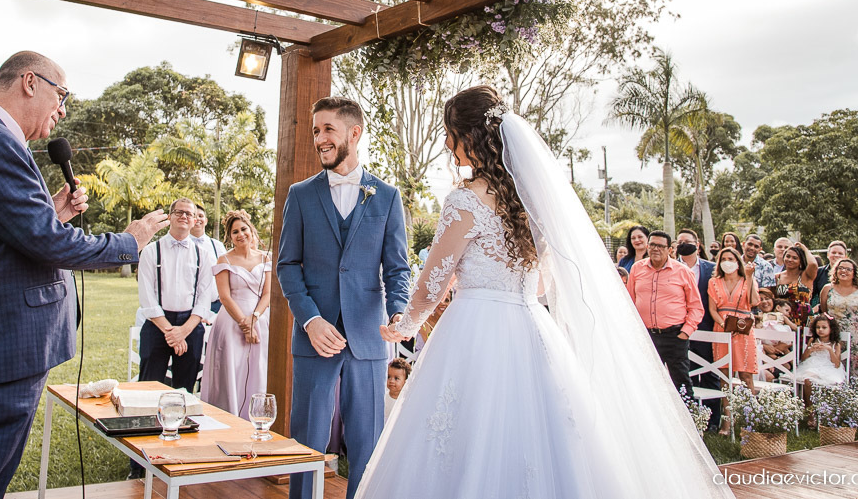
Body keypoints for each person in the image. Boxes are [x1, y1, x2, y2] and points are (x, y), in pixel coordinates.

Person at [357, 87, 730, 499]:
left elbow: (434, 280)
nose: (447, 144)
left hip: (476, 328)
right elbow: (542, 281)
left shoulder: (465, 200)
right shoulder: (532, 201)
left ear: (472, 137)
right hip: (531, 322)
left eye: (450, 133)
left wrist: (405, 324)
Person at [0, 51, 166, 499]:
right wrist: (130, 241)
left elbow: (10, 236)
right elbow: (49, 245)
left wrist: (53, 213)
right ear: (30, 82)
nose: (64, 108)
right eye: (62, 94)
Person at [277, 96, 410, 499]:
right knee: (307, 441)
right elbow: (287, 265)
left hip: (368, 337)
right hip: (315, 337)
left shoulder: (386, 197)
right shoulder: (300, 194)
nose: (320, 139)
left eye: (328, 129)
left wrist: (399, 311)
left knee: (366, 442)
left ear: (354, 132)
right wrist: (310, 320)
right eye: (316, 131)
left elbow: (398, 269)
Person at [136, 198, 216, 392]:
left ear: (195, 220)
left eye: (189, 214)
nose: (184, 216)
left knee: (185, 390)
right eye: (179, 212)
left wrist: (183, 331)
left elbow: (204, 298)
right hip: (157, 325)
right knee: (149, 387)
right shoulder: (150, 251)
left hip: (191, 326)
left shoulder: (203, 254)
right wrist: (172, 332)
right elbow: (147, 297)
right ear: (170, 217)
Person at [202, 210, 270, 419]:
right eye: (235, 232)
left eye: (243, 229)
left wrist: (254, 318)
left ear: (251, 230)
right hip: (231, 322)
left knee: (259, 369)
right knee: (231, 370)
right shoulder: (225, 259)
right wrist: (244, 323)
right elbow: (224, 296)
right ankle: (227, 418)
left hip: (261, 319)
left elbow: (268, 293)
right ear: (229, 237)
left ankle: (257, 418)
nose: (240, 234)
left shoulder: (266, 258)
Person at [628, 230, 704, 397]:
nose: (656, 249)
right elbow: (630, 303)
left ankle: (690, 420)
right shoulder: (637, 269)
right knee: (645, 382)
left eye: (661, 246)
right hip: (646, 337)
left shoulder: (683, 272)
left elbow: (696, 307)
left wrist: (685, 332)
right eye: (652, 245)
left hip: (674, 336)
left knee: (681, 383)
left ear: (670, 250)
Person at [675, 229, 720, 430]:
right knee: (688, 373)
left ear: (697, 244)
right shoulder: (673, 267)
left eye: (688, 241)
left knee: (711, 373)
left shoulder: (711, 269)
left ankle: (712, 420)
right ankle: (692, 418)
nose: (684, 244)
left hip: (706, 327)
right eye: (680, 241)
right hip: (681, 328)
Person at [708, 248, 759, 407]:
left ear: (738, 261)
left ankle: (752, 416)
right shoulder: (714, 281)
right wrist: (723, 324)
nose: (727, 262)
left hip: (743, 328)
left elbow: (753, 302)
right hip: (721, 327)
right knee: (724, 374)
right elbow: (712, 309)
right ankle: (728, 419)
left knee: (746, 374)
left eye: (730, 259)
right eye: (723, 259)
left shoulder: (746, 279)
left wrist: (749, 277)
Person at [821, 258, 858, 381]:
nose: (844, 271)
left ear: (854, 273)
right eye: (841, 268)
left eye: (848, 269)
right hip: (836, 336)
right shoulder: (827, 289)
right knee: (836, 370)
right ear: (835, 271)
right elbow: (825, 312)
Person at [794, 314, 845, 409]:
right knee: (808, 380)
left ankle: (825, 409)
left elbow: (837, 364)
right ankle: (810, 409)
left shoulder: (835, 343)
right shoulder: (813, 340)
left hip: (829, 368)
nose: (820, 330)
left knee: (823, 382)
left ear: (831, 329)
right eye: (818, 327)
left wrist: (829, 349)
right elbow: (803, 359)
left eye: (824, 327)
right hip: (812, 366)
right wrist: (810, 350)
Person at [190, 203, 227, 318]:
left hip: (215, 305)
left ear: (205, 220)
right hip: (189, 307)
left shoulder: (217, 246)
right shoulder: (181, 245)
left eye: (200, 216)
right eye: (194, 216)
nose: (198, 219)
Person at [773, 242, 817, 326]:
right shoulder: (777, 277)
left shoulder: (805, 276)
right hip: (784, 318)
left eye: (795, 258)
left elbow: (813, 264)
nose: (790, 260)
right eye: (788, 256)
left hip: (803, 316)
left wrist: (804, 248)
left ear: (801, 260)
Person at [811, 240, 848, 311]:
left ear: (845, 256)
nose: (836, 255)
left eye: (840, 253)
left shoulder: (851, 273)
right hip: (823, 312)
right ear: (828, 255)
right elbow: (811, 294)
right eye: (833, 252)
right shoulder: (818, 272)